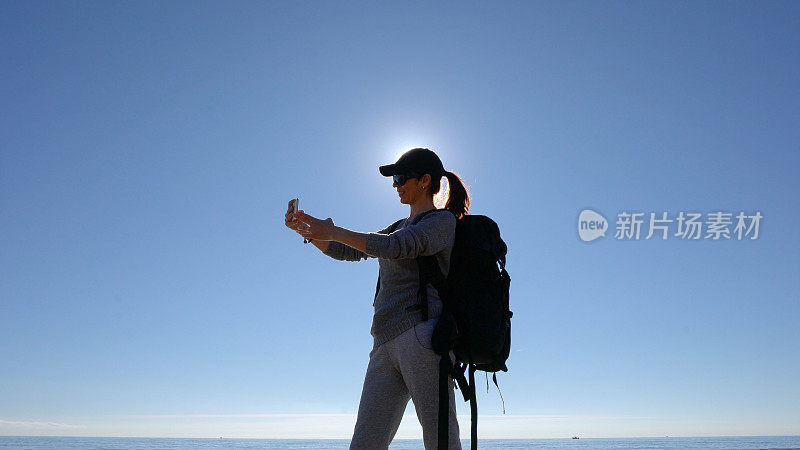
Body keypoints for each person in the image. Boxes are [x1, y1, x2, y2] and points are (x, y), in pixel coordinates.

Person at [284, 148, 470, 450]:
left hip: (423, 335)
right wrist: (308, 229)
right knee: (365, 443)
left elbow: (399, 246)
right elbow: (350, 251)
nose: (395, 185)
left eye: (400, 178)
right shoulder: (396, 225)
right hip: (384, 342)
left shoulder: (441, 222)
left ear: (424, 181)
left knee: (440, 440)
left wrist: (333, 230)